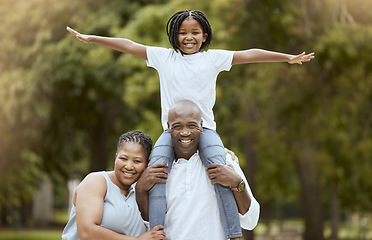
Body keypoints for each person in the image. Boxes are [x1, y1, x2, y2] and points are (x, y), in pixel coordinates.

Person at [66, 9, 314, 239]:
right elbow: (129, 45)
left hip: (206, 130)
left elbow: (248, 54)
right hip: (167, 131)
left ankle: (232, 233)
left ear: (204, 36)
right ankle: (156, 232)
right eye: (182, 33)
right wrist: (93, 39)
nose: (188, 38)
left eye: (195, 33)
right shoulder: (164, 58)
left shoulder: (212, 59)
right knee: (156, 173)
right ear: (175, 35)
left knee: (219, 169)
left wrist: (286, 57)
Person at [135, 100, 260, 240]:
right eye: (177, 126)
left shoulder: (224, 162)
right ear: (168, 127)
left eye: (191, 125)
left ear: (201, 125)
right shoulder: (156, 170)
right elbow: (144, 228)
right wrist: (140, 189)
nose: (185, 132)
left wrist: (238, 183)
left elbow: (250, 222)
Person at [61, 130, 166, 240]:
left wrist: (141, 190)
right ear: (116, 157)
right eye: (123, 158)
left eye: (137, 161)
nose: (129, 166)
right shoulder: (96, 181)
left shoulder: (141, 192)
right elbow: (87, 232)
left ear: (147, 163)